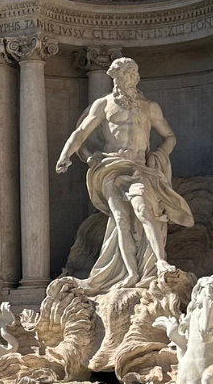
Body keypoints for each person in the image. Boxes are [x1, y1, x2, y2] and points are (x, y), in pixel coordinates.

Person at [56, 57, 194, 293]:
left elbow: (169, 136)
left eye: (132, 74)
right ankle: (130, 273)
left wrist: (159, 153)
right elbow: (81, 132)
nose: (129, 79)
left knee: (143, 211)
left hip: (140, 169)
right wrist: (65, 154)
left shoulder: (149, 107)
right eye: (124, 75)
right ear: (115, 78)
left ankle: (160, 261)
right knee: (120, 219)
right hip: (111, 167)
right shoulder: (104, 104)